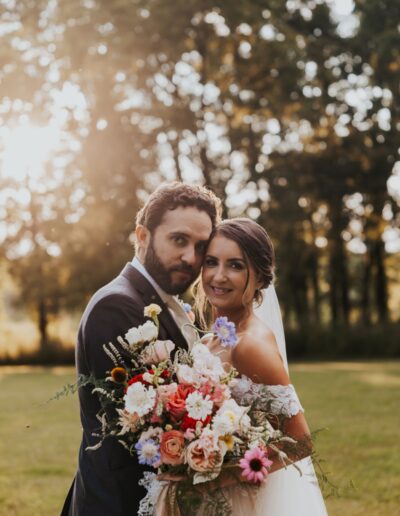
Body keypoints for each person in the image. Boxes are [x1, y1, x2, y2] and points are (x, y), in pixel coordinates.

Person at [61, 182, 222, 516]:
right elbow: (151, 425)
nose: (190, 257)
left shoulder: (167, 304)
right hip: (119, 503)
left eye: (201, 246)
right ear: (143, 236)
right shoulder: (117, 306)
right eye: (179, 240)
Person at [198, 217, 328, 515]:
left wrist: (216, 479)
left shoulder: (251, 344)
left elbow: (300, 441)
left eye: (235, 265)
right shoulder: (211, 339)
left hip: (239, 501)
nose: (218, 276)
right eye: (211, 262)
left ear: (258, 276)